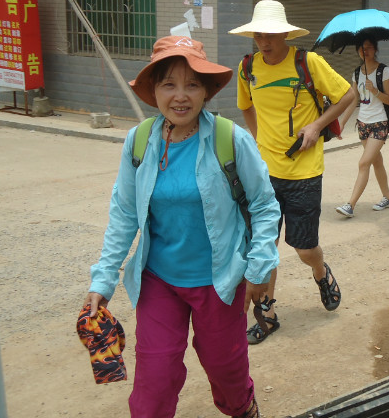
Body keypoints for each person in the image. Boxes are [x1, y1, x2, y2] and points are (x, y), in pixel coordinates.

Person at [84, 36, 280, 418]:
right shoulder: (139, 141)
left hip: (219, 281)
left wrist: (259, 267)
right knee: (154, 379)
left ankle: (243, 408)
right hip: (159, 280)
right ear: (154, 91)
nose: (180, 95)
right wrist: (103, 279)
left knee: (226, 369)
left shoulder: (230, 139)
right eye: (168, 84)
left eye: (192, 84)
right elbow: (124, 213)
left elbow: (264, 204)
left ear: (206, 91)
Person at [230, 0, 356, 344]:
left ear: (285, 34)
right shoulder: (247, 68)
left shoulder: (307, 62)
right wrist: (259, 143)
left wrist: (316, 125)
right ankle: (267, 315)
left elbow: (348, 95)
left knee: (303, 248)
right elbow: (246, 106)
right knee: (264, 247)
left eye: (270, 35)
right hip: (264, 174)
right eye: (258, 35)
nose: (264, 41)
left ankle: (320, 270)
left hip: (304, 171)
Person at [335, 34, 389, 218]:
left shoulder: (384, 71)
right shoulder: (356, 73)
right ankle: (387, 198)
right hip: (363, 124)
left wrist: (374, 90)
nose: (365, 51)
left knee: (364, 162)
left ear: (375, 49)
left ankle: (350, 205)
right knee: (376, 161)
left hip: (379, 123)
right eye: (361, 48)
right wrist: (342, 122)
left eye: (368, 47)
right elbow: (353, 100)